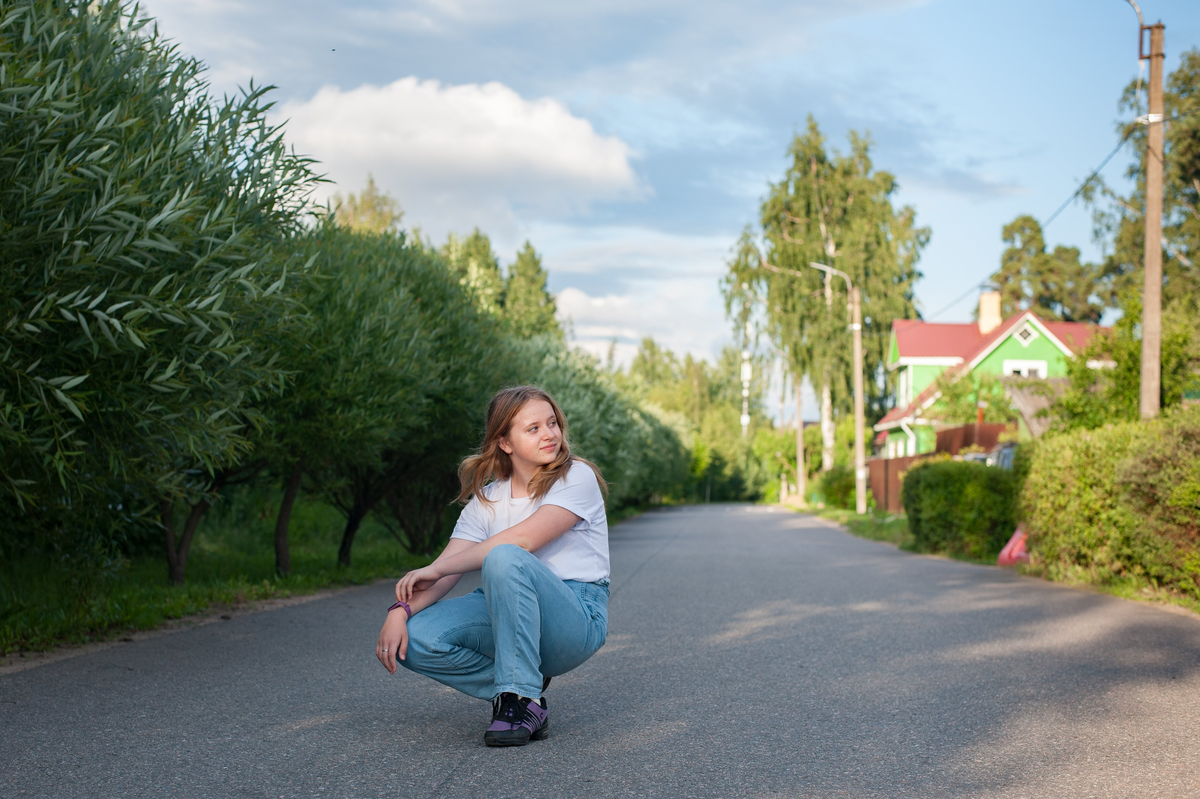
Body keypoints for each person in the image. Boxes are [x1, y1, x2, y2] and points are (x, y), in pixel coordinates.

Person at [376, 385, 610, 747]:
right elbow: (445, 571)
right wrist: (400, 610)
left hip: (574, 617)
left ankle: (519, 691)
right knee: (418, 638)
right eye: (533, 428)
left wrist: (438, 569)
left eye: (552, 423)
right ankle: (523, 694)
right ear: (505, 442)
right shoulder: (489, 499)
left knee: (504, 555)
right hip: (503, 610)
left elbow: (522, 542)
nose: (549, 434)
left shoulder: (575, 476)